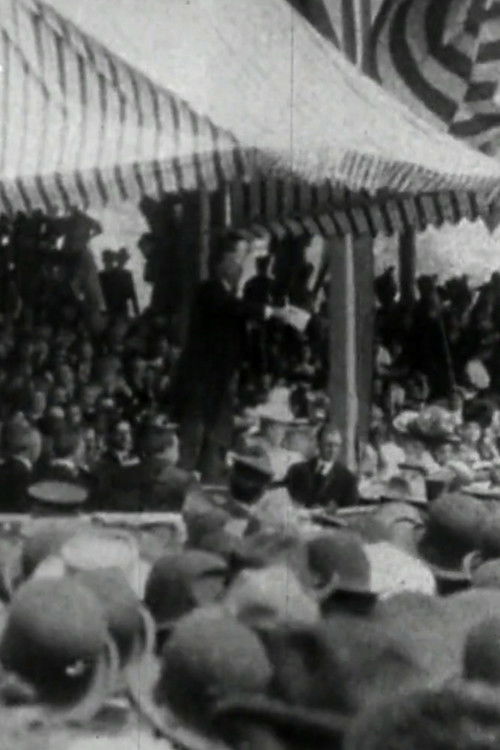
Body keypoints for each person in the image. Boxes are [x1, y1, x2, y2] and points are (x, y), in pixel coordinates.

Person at [172, 239, 286, 480]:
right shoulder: (210, 291)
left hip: (221, 380)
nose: (240, 266)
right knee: (195, 435)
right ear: (220, 262)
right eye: (237, 258)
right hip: (203, 380)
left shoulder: (228, 294)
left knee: (217, 436)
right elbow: (232, 307)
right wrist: (269, 311)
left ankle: (210, 477)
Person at [285, 424, 358, 509]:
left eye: (336, 445)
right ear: (318, 444)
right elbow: (289, 502)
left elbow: (350, 512)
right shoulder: (297, 471)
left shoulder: (348, 479)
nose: (333, 450)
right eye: (328, 445)